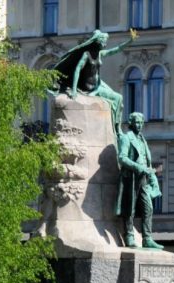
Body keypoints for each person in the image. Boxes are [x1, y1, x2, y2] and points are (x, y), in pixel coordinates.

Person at [52, 29, 137, 133]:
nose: (105, 44)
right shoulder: (86, 55)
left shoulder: (100, 53)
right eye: (104, 41)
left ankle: (116, 127)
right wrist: (74, 90)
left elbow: (116, 50)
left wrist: (130, 41)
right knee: (118, 98)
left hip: (98, 85)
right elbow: (77, 70)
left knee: (119, 99)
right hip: (89, 88)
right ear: (98, 42)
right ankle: (116, 129)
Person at [114, 112, 163, 249]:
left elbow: (147, 163)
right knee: (130, 208)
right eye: (136, 122)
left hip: (143, 179)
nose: (139, 125)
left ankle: (147, 238)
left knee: (148, 208)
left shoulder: (142, 139)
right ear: (131, 123)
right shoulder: (126, 138)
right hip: (131, 178)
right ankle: (129, 235)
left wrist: (152, 179)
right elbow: (122, 158)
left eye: (141, 123)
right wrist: (137, 167)